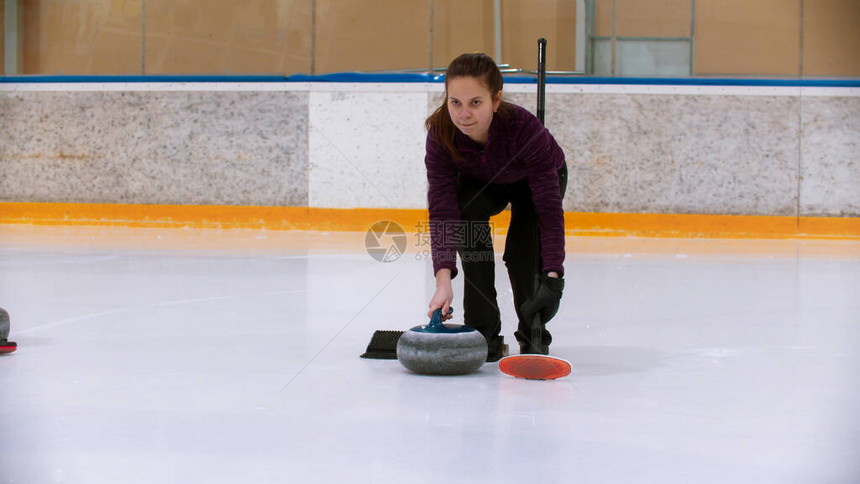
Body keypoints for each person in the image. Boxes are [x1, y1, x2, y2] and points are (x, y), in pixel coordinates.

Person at [424, 53, 567, 361]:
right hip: (483, 181)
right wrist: (443, 278)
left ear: (496, 99)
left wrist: (554, 275)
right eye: (455, 103)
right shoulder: (441, 133)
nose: (463, 114)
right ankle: (483, 332)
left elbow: (548, 211)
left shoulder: (525, 130)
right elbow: (443, 207)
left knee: (523, 253)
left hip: (535, 182)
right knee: (467, 219)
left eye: (476, 102)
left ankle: (533, 333)